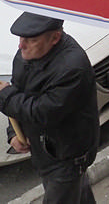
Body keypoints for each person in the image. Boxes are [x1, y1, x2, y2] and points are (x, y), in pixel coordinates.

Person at [0, 13, 100, 203]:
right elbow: (18, 91)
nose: (21, 45)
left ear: (55, 38)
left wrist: (4, 96)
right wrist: (14, 131)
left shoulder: (72, 68)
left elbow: (41, 111)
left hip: (67, 156)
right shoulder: (27, 53)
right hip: (46, 150)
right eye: (21, 38)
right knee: (79, 196)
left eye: (32, 40)